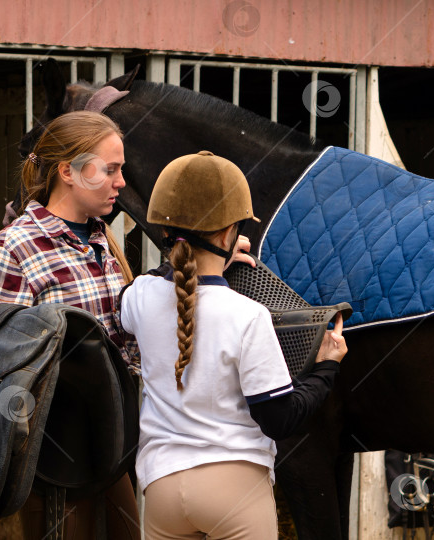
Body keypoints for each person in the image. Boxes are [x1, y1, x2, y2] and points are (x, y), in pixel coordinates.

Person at [119, 150, 348, 540]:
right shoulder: (248, 316)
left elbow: (161, 285)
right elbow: (279, 420)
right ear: (229, 235)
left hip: (161, 487)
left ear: (163, 231)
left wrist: (198, 262)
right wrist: (327, 366)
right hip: (234, 487)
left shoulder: (139, 296)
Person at [0, 110, 140, 539]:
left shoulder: (104, 240)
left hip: (111, 445)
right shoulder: (13, 248)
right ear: (68, 171)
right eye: (110, 169)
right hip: (50, 460)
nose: (121, 182)